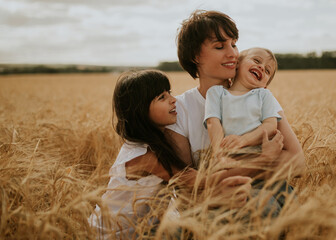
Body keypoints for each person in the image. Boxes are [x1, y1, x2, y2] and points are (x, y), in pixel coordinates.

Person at [89, 70, 252, 239]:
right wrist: (264, 162)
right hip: (112, 235)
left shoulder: (156, 144)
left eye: (170, 93)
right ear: (140, 109)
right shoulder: (143, 157)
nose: (173, 100)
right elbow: (197, 180)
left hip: (141, 230)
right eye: (162, 97)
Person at [166, 10, 305, 206]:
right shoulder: (180, 109)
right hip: (213, 209)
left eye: (234, 44)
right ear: (195, 55)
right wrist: (263, 161)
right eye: (220, 46)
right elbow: (184, 184)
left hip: (263, 196)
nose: (232, 53)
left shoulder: (260, 97)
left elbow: (298, 164)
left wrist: (231, 166)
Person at [204, 47, 281, 157]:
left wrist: (243, 140)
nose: (261, 67)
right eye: (256, 60)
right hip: (226, 154)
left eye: (267, 70)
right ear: (238, 63)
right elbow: (213, 123)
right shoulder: (216, 93)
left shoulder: (264, 95)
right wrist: (219, 153)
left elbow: (270, 126)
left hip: (256, 155)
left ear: (265, 85)